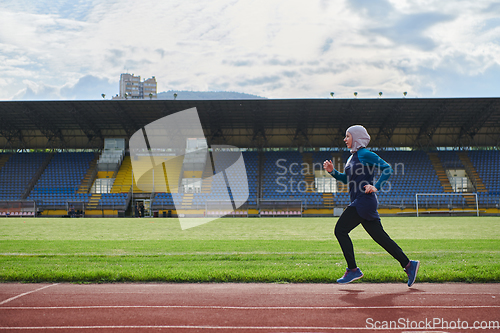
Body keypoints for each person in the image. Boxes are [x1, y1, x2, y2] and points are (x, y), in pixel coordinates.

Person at [323, 125, 419, 287]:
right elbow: (347, 180)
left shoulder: (364, 154)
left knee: (340, 230)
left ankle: (353, 269)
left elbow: (387, 168)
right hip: (361, 202)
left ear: (357, 137)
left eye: (347, 136)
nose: (345, 139)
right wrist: (333, 172)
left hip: (364, 201)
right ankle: (408, 265)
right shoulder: (352, 158)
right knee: (380, 238)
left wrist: (376, 186)